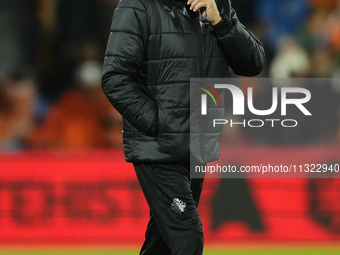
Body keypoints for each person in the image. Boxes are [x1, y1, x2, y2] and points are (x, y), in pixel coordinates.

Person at [102, 0, 265, 254]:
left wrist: (221, 23)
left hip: (197, 147)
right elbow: (115, 78)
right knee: (188, 237)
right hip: (158, 148)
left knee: (163, 244)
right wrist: (158, 123)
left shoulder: (216, 5)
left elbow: (253, 63)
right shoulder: (138, 6)